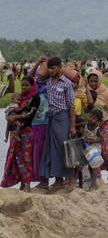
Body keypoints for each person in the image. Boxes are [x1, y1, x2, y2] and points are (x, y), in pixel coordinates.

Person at [38, 57, 76, 192]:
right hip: (52, 119)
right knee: (52, 150)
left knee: (64, 148)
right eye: (49, 68)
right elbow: (35, 78)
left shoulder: (67, 84)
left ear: (60, 67)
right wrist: (39, 63)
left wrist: (72, 126)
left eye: (53, 68)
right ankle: (58, 181)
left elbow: (72, 106)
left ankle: (71, 179)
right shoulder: (48, 82)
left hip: (63, 118)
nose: (50, 70)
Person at [1, 80, 39, 192]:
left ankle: (27, 184)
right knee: (16, 158)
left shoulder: (35, 98)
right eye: (22, 85)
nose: (24, 87)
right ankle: (22, 183)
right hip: (15, 132)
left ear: (32, 86)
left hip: (26, 131)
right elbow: (9, 113)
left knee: (26, 157)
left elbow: (30, 114)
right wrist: (10, 117)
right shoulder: (18, 99)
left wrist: (16, 117)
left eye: (27, 85)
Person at [83, 109, 105, 191]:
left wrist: (91, 140)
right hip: (88, 148)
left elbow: (102, 139)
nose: (91, 119)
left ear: (97, 121)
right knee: (89, 166)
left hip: (95, 149)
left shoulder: (96, 128)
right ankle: (94, 183)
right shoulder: (85, 125)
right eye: (90, 116)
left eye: (94, 118)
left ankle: (92, 185)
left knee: (94, 167)